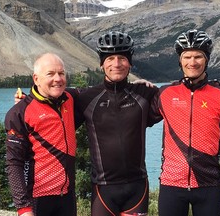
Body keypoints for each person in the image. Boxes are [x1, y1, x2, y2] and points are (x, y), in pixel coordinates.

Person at [64, 31, 159, 216]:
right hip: (103, 189)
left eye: (122, 58)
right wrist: (25, 99)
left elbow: (179, 94)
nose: (116, 64)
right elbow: (51, 93)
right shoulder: (86, 97)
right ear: (102, 63)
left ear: (130, 62)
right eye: (110, 58)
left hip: (137, 188)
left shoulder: (144, 94)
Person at [149, 29, 220, 216]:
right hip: (171, 183)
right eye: (187, 56)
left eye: (198, 56)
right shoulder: (165, 94)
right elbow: (138, 117)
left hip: (208, 184)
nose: (192, 62)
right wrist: (140, 84)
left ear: (206, 59)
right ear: (180, 61)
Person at [5, 53, 77, 216]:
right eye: (50, 74)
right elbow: (13, 163)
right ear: (36, 79)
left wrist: (137, 86)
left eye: (61, 73)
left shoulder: (70, 99)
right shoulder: (19, 113)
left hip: (67, 197)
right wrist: (23, 208)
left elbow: (101, 92)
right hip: (37, 199)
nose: (58, 79)